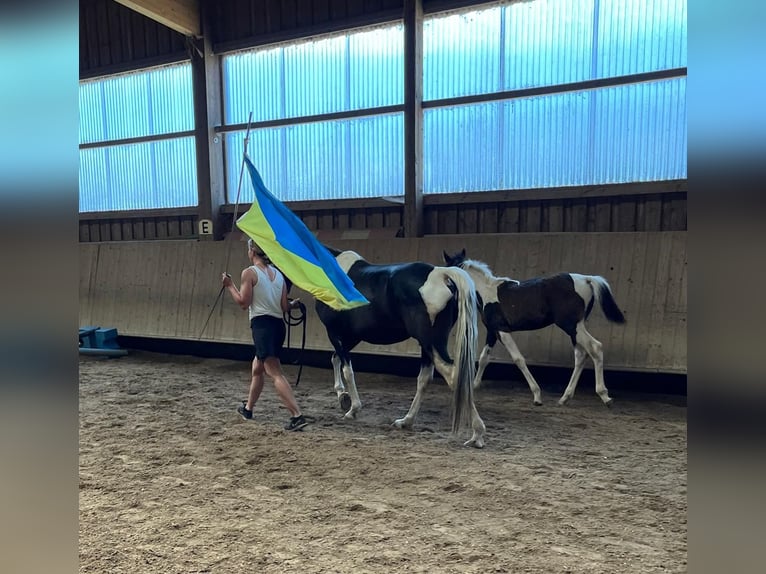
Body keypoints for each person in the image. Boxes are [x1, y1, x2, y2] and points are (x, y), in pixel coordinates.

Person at [222, 239, 308, 431]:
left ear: (252, 250)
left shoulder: (249, 273)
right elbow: (285, 307)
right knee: (257, 368)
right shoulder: (279, 274)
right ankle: (248, 409)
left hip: (262, 326)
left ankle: (297, 415)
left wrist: (229, 285)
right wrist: (293, 305)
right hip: (278, 325)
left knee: (274, 371)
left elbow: (244, 303)